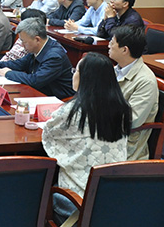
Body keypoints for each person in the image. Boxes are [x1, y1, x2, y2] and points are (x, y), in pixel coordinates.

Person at [42, 53, 131, 225]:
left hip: (77, 201)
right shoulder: (123, 108)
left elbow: (49, 135)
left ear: (85, 78)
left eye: (76, 71)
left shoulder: (72, 111)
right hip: (113, 195)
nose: (73, 74)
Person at [0, 17, 75, 98]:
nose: (22, 45)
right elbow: (17, 64)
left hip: (58, 99)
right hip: (41, 93)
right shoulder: (37, 48)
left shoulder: (54, 56)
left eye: (24, 41)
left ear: (37, 39)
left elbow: (35, 80)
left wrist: (8, 73)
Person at [107, 25, 158, 160]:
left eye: (112, 43)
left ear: (124, 50)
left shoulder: (146, 81)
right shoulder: (115, 69)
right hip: (105, 129)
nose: (108, 45)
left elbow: (131, 120)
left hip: (125, 143)